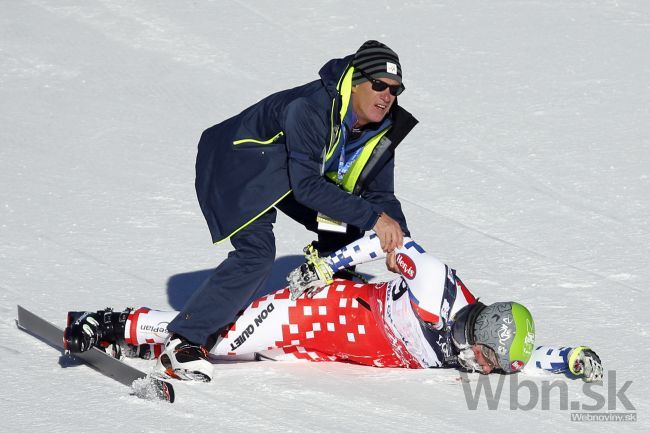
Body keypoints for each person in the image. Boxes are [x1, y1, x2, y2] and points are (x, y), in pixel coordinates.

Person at [164, 40, 419, 376]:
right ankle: (184, 340)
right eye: (378, 85)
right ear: (356, 81)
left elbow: (380, 193)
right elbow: (308, 188)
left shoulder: (381, 128)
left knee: (345, 224)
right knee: (257, 254)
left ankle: (330, 283)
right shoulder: (311, 108)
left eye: (395, 90)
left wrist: (399, 240)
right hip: (236, 162)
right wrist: (376, 219)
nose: (386, 96)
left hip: (282, 173)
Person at [64, 235, 603, 383]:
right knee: (220, 338)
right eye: (489, 358)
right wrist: (327, 266)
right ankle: (107, 325)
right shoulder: (439, 289)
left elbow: (522, 361)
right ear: (480, 333)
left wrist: (571, 358)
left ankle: (132, 339)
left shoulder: (479, 348)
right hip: (320, 312)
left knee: (235, 353)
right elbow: (390, 244)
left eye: (494, 364)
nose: (486, 369)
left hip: (320, 349)